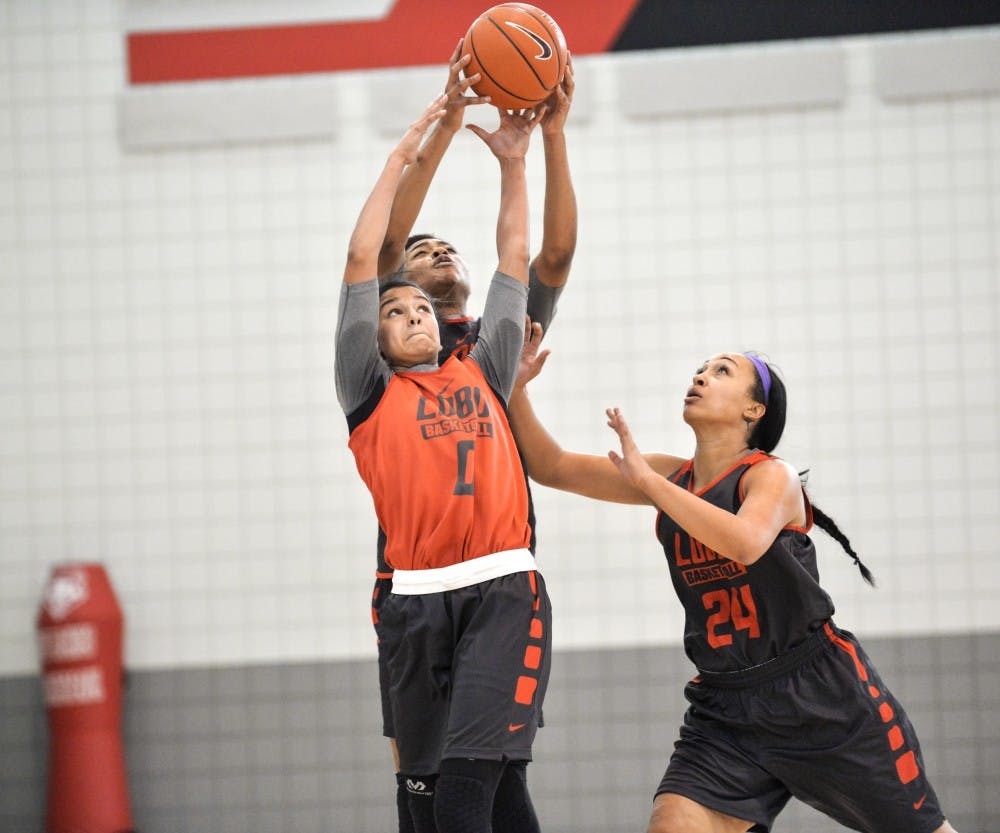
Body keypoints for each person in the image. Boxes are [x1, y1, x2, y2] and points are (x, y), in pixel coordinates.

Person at [507, 328, 958, 833]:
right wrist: (518, 387)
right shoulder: (670, 477)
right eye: (702, 367)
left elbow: (744, 543)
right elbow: (552, 466)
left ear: (754, 411)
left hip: (820, 696)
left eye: (723, 371)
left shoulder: (771, 476)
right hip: (727, 708)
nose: (701, 374)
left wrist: (649, 484)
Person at [367, 41, 576, 832]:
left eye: (449, 247)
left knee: (485, 775)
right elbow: (383, 246)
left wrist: (547, 138)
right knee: (424, 790)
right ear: (397, 302)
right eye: (423, 253)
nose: (438, 253)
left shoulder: (496, 343)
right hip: (408, 578)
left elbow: (546, 253)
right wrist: (449, 124)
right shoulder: (381, 365)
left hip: (493, 578)